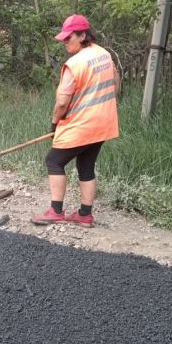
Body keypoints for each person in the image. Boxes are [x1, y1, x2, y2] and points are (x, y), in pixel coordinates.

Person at [32, 14, 120, 228]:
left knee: (54, 161)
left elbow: (62, 101)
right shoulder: (103, 54)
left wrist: (54, 123)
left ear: (82, 35)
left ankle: (55, 211)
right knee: (86, 165)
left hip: (81, 125)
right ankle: (84, 215)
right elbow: (115, 82)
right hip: (104, 123)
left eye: (68, 38)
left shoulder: (74, 63)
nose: (64, 43)